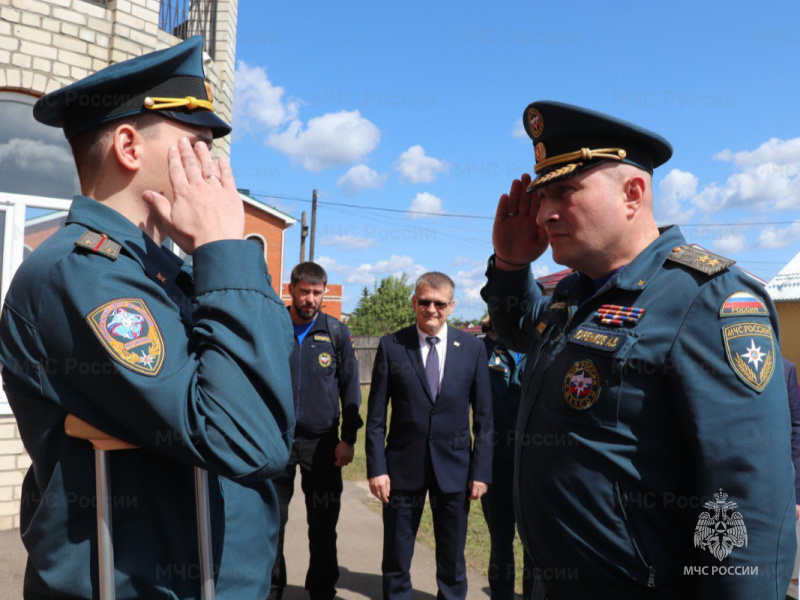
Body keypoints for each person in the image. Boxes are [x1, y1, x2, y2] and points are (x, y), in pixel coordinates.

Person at [0, 37, 295, 599]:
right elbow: (247, 440)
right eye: (198, 145)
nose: (214, 166)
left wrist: (221, 256)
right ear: (129, 146)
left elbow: (275, 393)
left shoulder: (171, 272)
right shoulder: (80, 273)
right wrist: (224, 247)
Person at [481, 100, 796, 599]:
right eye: (541, 196)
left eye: (564, 191)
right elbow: (519, 330)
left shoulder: (705, 298)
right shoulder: (575, 293)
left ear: (633, 194)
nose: (543, 213)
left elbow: (746, 499)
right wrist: (510, 263)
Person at [366, 272, 493, 600]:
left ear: (452, 306)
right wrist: (377, 468)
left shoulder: (472, 349)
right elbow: (376, 418)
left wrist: (481, 471)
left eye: (439, 303)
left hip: (455, 470)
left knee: (452, 558)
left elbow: (484, 418)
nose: (431, 309)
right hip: (401, 469)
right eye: (424, 302)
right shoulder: (392, 346)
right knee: (397, 556)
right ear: (414, 303)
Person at [269, 262, 362, 600]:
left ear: (324, 293)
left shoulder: (336, 332)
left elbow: (351, 389)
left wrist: (348, 439)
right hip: (275, 443)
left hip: (322, 446)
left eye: (317, 292)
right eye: (304, 291)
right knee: (271, 524)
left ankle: (322, 590)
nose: (310, 299)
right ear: (291, 290)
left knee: (323, 526)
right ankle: (271, 589)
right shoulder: (273, 327)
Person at [479, 316, 534, 600]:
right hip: (495, 463)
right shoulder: (484, 351)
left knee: (534, 547)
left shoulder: (542, 346)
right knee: (500, 544)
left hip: (534, 466)